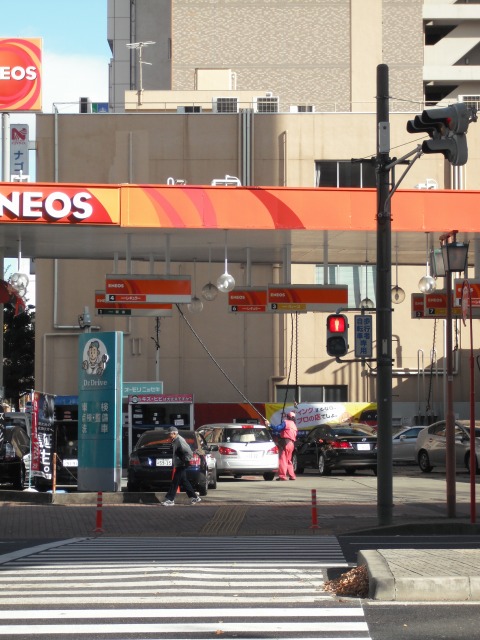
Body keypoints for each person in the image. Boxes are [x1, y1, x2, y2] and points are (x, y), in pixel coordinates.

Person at [161, 427, 202, 506]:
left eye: (169, 434)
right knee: (184, 481)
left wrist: (185, 461)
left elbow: (188, 451)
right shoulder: (175, 440)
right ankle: (194, 497)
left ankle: (170, 499)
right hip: (180, 463)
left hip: (182, 464)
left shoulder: (179, 440)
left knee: (175, 482)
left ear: (174, 433)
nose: (168, 436)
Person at [265, 411, 297, 481]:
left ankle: (282, 476)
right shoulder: (294, 425)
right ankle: (292, 476)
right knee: (289, 460)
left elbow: (277, 428)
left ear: (288, 417)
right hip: (291, 444)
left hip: (285, 443)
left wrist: (269, 424)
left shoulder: (286, 422)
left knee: (282, 460)